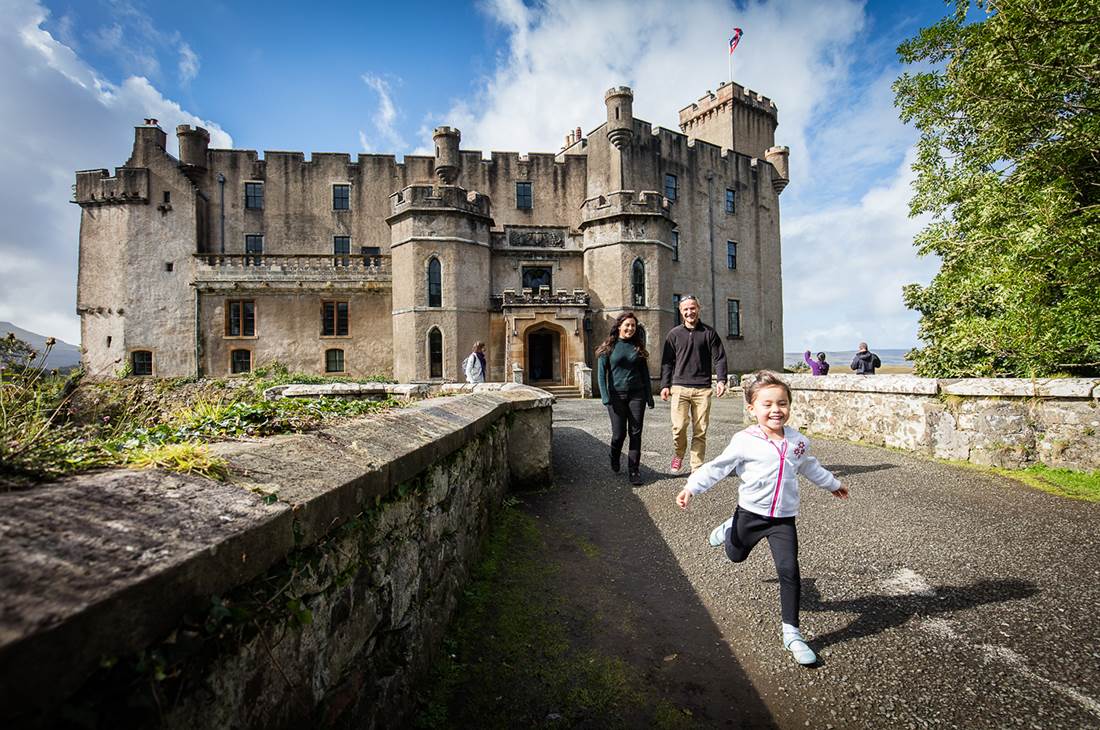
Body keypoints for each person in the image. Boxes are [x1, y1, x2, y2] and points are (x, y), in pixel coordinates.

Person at [675, 370, 849, 666]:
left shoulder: (798, 441)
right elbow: (718, 467)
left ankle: (792, 632)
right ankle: (730, 529)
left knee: (789, 570)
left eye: (782, 403)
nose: (775, 410)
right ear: (752, 409)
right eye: (767, 404)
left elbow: (809, 467)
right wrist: (691, 487)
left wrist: (833, 484)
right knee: (736, 556)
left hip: (783, 519)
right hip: (750, 515)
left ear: (789, 407)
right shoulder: (744, 440)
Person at [660, 295, 728, 473]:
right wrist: (665, 385)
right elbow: (667, 361)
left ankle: (696, 467)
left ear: (698, 308)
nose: (690, 312)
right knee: (679, 427)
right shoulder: (674, 334)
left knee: (700, 430)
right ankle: (679, 453)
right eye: (685, 309)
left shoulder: (709, 333)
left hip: (702, 389)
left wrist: (721, 380)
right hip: (679, 387)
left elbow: (719, 358)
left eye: (692, 308)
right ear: (681, 312)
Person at [597, 312, 654, 486]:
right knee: (618, 435)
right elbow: (601, 374)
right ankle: (614, 456)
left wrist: (649, 396)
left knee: (635, 433)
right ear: (619, 326)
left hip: (637, 395)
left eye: (633, 326)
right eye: (627, 325)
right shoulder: (609, 347)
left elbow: (645, 374)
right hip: (616, 396)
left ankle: (634, 470)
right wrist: (605, 397)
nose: (630, 328)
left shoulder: (638, 347)